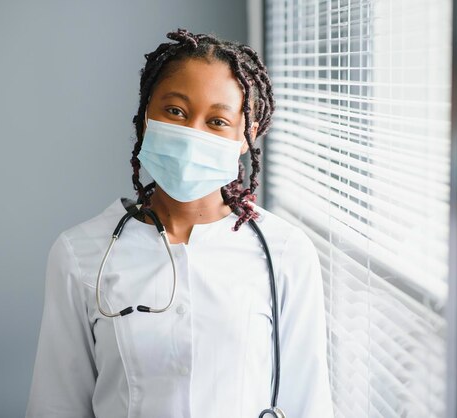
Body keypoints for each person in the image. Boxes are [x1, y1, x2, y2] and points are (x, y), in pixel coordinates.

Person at [26, 28, 334, 418]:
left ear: (247, 136)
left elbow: (309, 404)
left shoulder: (285, 252)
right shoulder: (80, 254)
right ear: (144, 117)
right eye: (175, 111)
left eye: (218, 121)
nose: (192, 134)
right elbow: (57, 405)